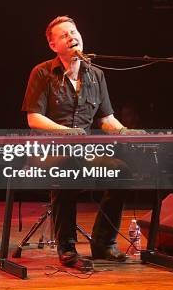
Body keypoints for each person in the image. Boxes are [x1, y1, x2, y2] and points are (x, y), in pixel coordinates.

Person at [21, 15, 134, 270]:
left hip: (83, 152)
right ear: (53, 46)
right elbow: (34, 118)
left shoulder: (96, 75)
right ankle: (67, 247)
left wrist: (128, 132)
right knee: (66, 164)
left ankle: (103, 243)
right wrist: (68, 132)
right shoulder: (41, 73)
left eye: (74, 32)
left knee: (123, 172)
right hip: (49, 152)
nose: (72, 36)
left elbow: (107, 119)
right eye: (64, 35)